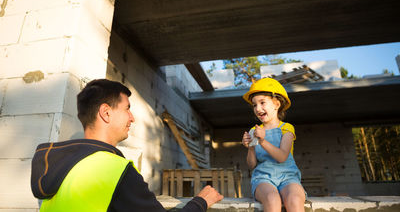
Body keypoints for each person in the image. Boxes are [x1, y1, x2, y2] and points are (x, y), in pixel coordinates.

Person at [31, 79, 223, 211]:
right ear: (106, 113)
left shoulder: (62, 163)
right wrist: (201, 201)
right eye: (127, 109)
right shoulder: (113, 169)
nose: (132, 118)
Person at [241, 78, 305, 212]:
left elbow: (282, 157)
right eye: (254, 105)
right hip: (263, 178)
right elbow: (251, 165)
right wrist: (251, 148)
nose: (258, 109)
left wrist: (263, 141)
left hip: (288, 177)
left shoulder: (287, 128)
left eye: (262, 103)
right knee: (272, 198)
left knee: (295, 199)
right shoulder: (254, 130)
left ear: (276, 104)